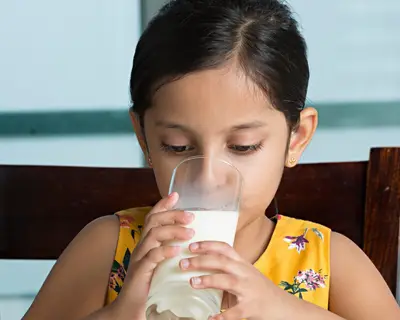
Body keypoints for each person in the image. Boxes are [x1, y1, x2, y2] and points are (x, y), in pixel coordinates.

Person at [23, 0, 399, 319]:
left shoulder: (331, 261)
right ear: (144, 137)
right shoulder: (109, 250)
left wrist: (283, 308)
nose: (208, 177)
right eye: (177, 146)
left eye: (244, 146)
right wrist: (119, 313)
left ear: (296, 139)